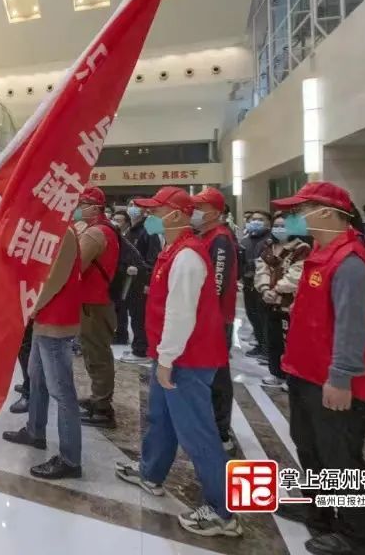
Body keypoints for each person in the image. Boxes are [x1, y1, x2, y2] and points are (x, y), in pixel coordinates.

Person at [115, 186, 241, 538]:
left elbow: (181, 314)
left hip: (188, 358)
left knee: (197, 432)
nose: (150, 217)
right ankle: (151, 472)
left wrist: (168, 358)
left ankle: (223, 511)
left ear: (175, 215)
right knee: (162, 418)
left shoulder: (187, 256)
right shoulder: (172, 250)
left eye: (156, 211)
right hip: (171, 354)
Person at [271, 182, 365, 555]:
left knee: (341, 457)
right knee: (309, 447)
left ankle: (355, 535)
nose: (294, 218)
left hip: (330, 378)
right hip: (304, 370)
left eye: (300, 210)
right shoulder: (322, 252)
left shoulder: (350, 261)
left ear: (325, 212)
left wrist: (341, 377)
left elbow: (353, 326)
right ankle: (318, 510)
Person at [3, 227, 85, 480]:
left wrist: (32, 305)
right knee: (36, 377)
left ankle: (70, 459)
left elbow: (55, 278)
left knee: (61, 391)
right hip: (45, 319)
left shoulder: (64, 233)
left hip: (56, 320)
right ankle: (35, 431)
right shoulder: (54, 229)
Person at [190, 188, 240, 454]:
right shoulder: (205, 236)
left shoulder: (220, 239)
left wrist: (204, 317)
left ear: (215, 212)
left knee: (218, 374)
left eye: (199, 207)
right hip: (207, 317)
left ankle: (221, 432)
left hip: (216, 319)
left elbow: (216, 285)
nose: (194, 212)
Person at [74, 187, 122, 429]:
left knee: (97, 354)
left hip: (94, 301)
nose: (78, 209)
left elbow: (74, 266)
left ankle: (102, 407)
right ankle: (98, 397)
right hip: (98, 299)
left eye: (82, 204)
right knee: (95, 351)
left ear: (94, 207)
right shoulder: (106, 228)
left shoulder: (95, 233)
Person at [254, 214, 312, 389]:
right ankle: (277, 374)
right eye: (276, 226)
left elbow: (296, 275)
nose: (279, 229)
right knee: (274, 340)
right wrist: (265, 289)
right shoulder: (268, 247)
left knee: (290, 342)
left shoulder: (301, 248)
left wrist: (277, 290)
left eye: (283, 226)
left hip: (289, 303)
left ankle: (291, 377)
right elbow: (261, 269)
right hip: (270, 301)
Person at [119, 200, 161, 365]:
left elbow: (153, 258)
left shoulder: (148, 230)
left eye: (136, 205)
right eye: (130, 204)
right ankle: (138, 345)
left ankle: (142, 349)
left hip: (141, 281)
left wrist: (147, 282)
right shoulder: (130, 230)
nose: (132, 208)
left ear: (144, 210)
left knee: (140, 316)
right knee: (134, 316)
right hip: (130, 281)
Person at [238, 210, 273, 359]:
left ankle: (268, 349)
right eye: (253, 219)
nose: (255, 222)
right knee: (253, 315)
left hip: (265, 286)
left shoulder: (270, 241)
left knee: (265, 318)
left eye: (260, 219)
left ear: (268, 223)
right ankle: (260, 344)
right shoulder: (245, 241)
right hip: (248, 284)